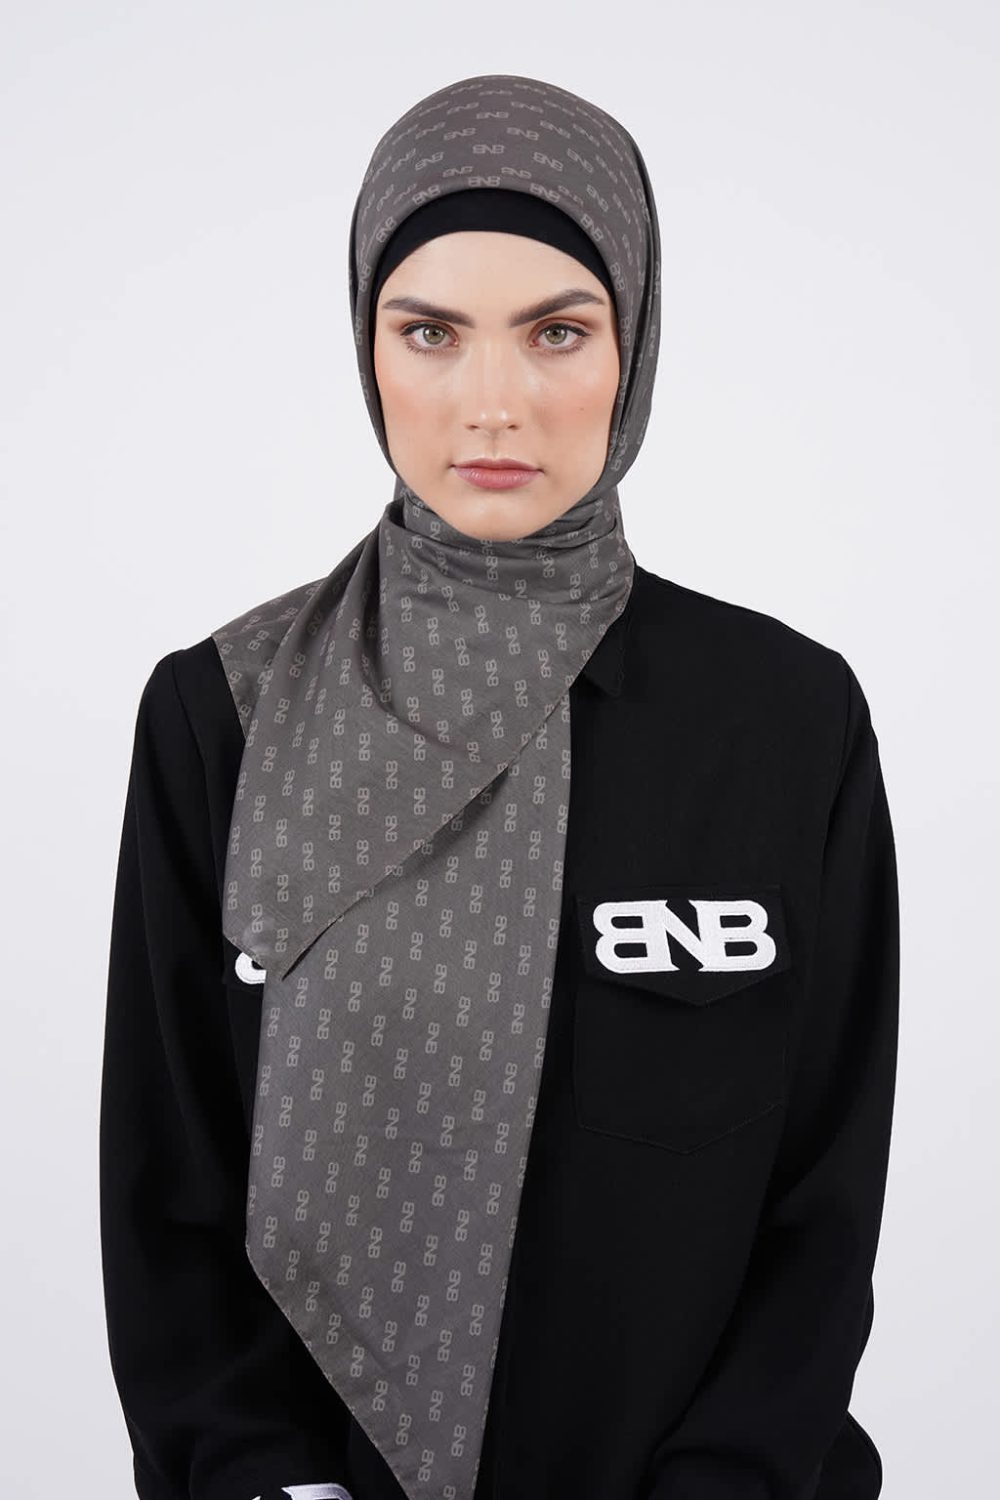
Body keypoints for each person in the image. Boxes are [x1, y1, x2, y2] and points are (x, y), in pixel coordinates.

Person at [100, 73, 899, 1500]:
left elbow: (823, 1196)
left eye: (557, 332)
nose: (493, 403)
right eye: (430, 332)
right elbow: (170, 1190)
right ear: (368, 349)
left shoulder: (787, 717)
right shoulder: (221, 714)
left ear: (634, 342)